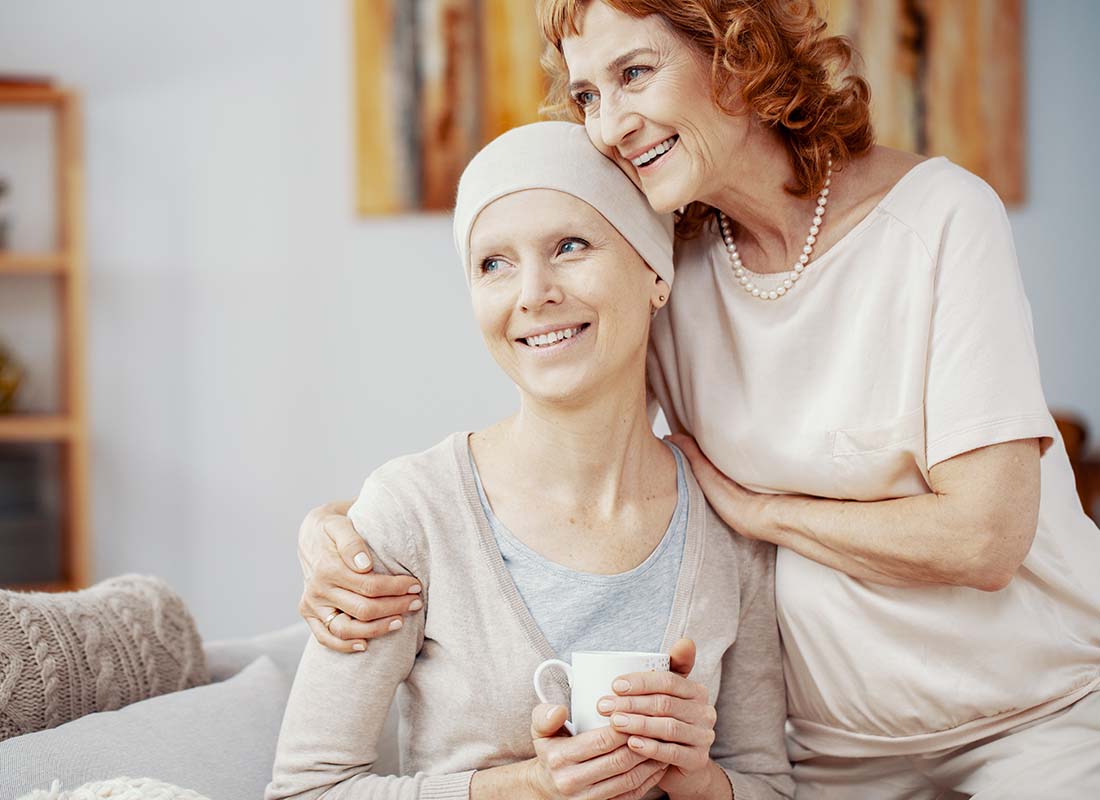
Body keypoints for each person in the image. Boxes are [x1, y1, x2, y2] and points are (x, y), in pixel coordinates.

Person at [298, 1, 1100, 796]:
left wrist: (764, 515)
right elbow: (556, 455)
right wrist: (343, 535)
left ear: (738, 53)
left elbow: (987, 537)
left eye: (635, 74)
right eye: (587, 96)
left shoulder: (938, 219)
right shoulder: (672, 264)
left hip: (1032, 714)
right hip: (832, 749)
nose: (609, 124)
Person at [267, 121, 793, 800]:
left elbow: (770, 788)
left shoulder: (727, 521)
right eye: (494, 263)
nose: (532, 292)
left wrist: (695, 776)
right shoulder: (411, 515)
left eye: (569, 246)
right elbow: (304, 790)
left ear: (654, 273)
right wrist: (528, 787)